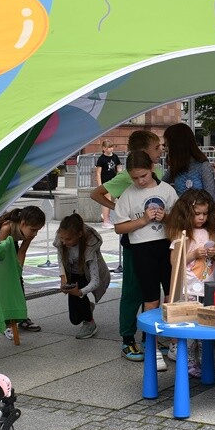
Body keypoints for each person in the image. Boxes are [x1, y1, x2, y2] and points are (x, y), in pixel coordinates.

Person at [91, 129, 163, 361]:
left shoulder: (158, 172)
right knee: (133, 290)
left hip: (157, 242)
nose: (161, 150)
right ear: (143, 153)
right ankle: (128, 338)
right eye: (156, 147)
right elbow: (97, 193)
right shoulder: (127, 178)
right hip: (134, 244)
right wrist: (119, 212)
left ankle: (149, 336)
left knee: (152, 292)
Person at [115, 150, 179, 373]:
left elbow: (180, 221)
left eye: (143, 175)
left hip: (166, 246)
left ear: (152, 169)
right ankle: (149, 342)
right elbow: (119, 227)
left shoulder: (167, 190)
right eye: (135, 177)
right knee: (150, 299)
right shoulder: (128, 195)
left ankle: (173, 342)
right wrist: (142, 220)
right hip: (142, 249)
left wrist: (167, 218)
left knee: (171, 296)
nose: (140, 181)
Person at [166, 189, 215, 376]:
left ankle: (206, 362)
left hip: (210, 286)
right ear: (187, 213)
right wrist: (195, 254)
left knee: (206, 328)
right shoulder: (181, 234)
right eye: (197, 214)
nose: (202, 218)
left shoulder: (211, 232)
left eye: (205, 214)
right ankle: (190, 361)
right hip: (189, 289)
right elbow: (175, 262)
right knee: (190, 328)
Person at [0, 206, 46, 333]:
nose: (34, 234)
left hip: (11, 240)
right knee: (0, 280)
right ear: (22, 223)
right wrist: (7, 272)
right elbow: (2, 254)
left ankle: (21, 316)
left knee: (17, 281)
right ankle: (1, 316)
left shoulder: (29, 231)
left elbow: (22, 252)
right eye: (33, 230)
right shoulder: (6, 227)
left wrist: (18, 272)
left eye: (37, 230)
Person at [55, 212, 111, 339]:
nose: (64, 242)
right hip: (72, 274)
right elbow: (60, 260)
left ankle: (90, 322)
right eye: (62, 238)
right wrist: (63, 279)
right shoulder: (61, 240)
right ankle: (87, 307)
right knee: (74, 319)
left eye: (68, 239)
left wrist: (80, 292)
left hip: (86, 276)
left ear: (79, 235)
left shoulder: (89, 248)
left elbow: (95, 281)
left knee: (80, 296)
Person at [163, 123, 215, 194]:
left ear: (177, 145)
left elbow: (210, 199)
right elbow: (160, 185)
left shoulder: (203, 166)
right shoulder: (175, 166)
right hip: (179, 205)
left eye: (167, 145)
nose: (166, 149)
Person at [93, 140, 121, 228]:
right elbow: (98, 173)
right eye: (109, 147)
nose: (111, 149)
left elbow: (119, 168)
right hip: (105, 182)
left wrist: (120, 178)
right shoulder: (101, 159)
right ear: (104, 148)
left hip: (114, 182)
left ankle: (105, 215)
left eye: (112, 147)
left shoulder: (115, 157)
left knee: (113, 200)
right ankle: (106, 221)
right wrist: (100, 185)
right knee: (106, 200)